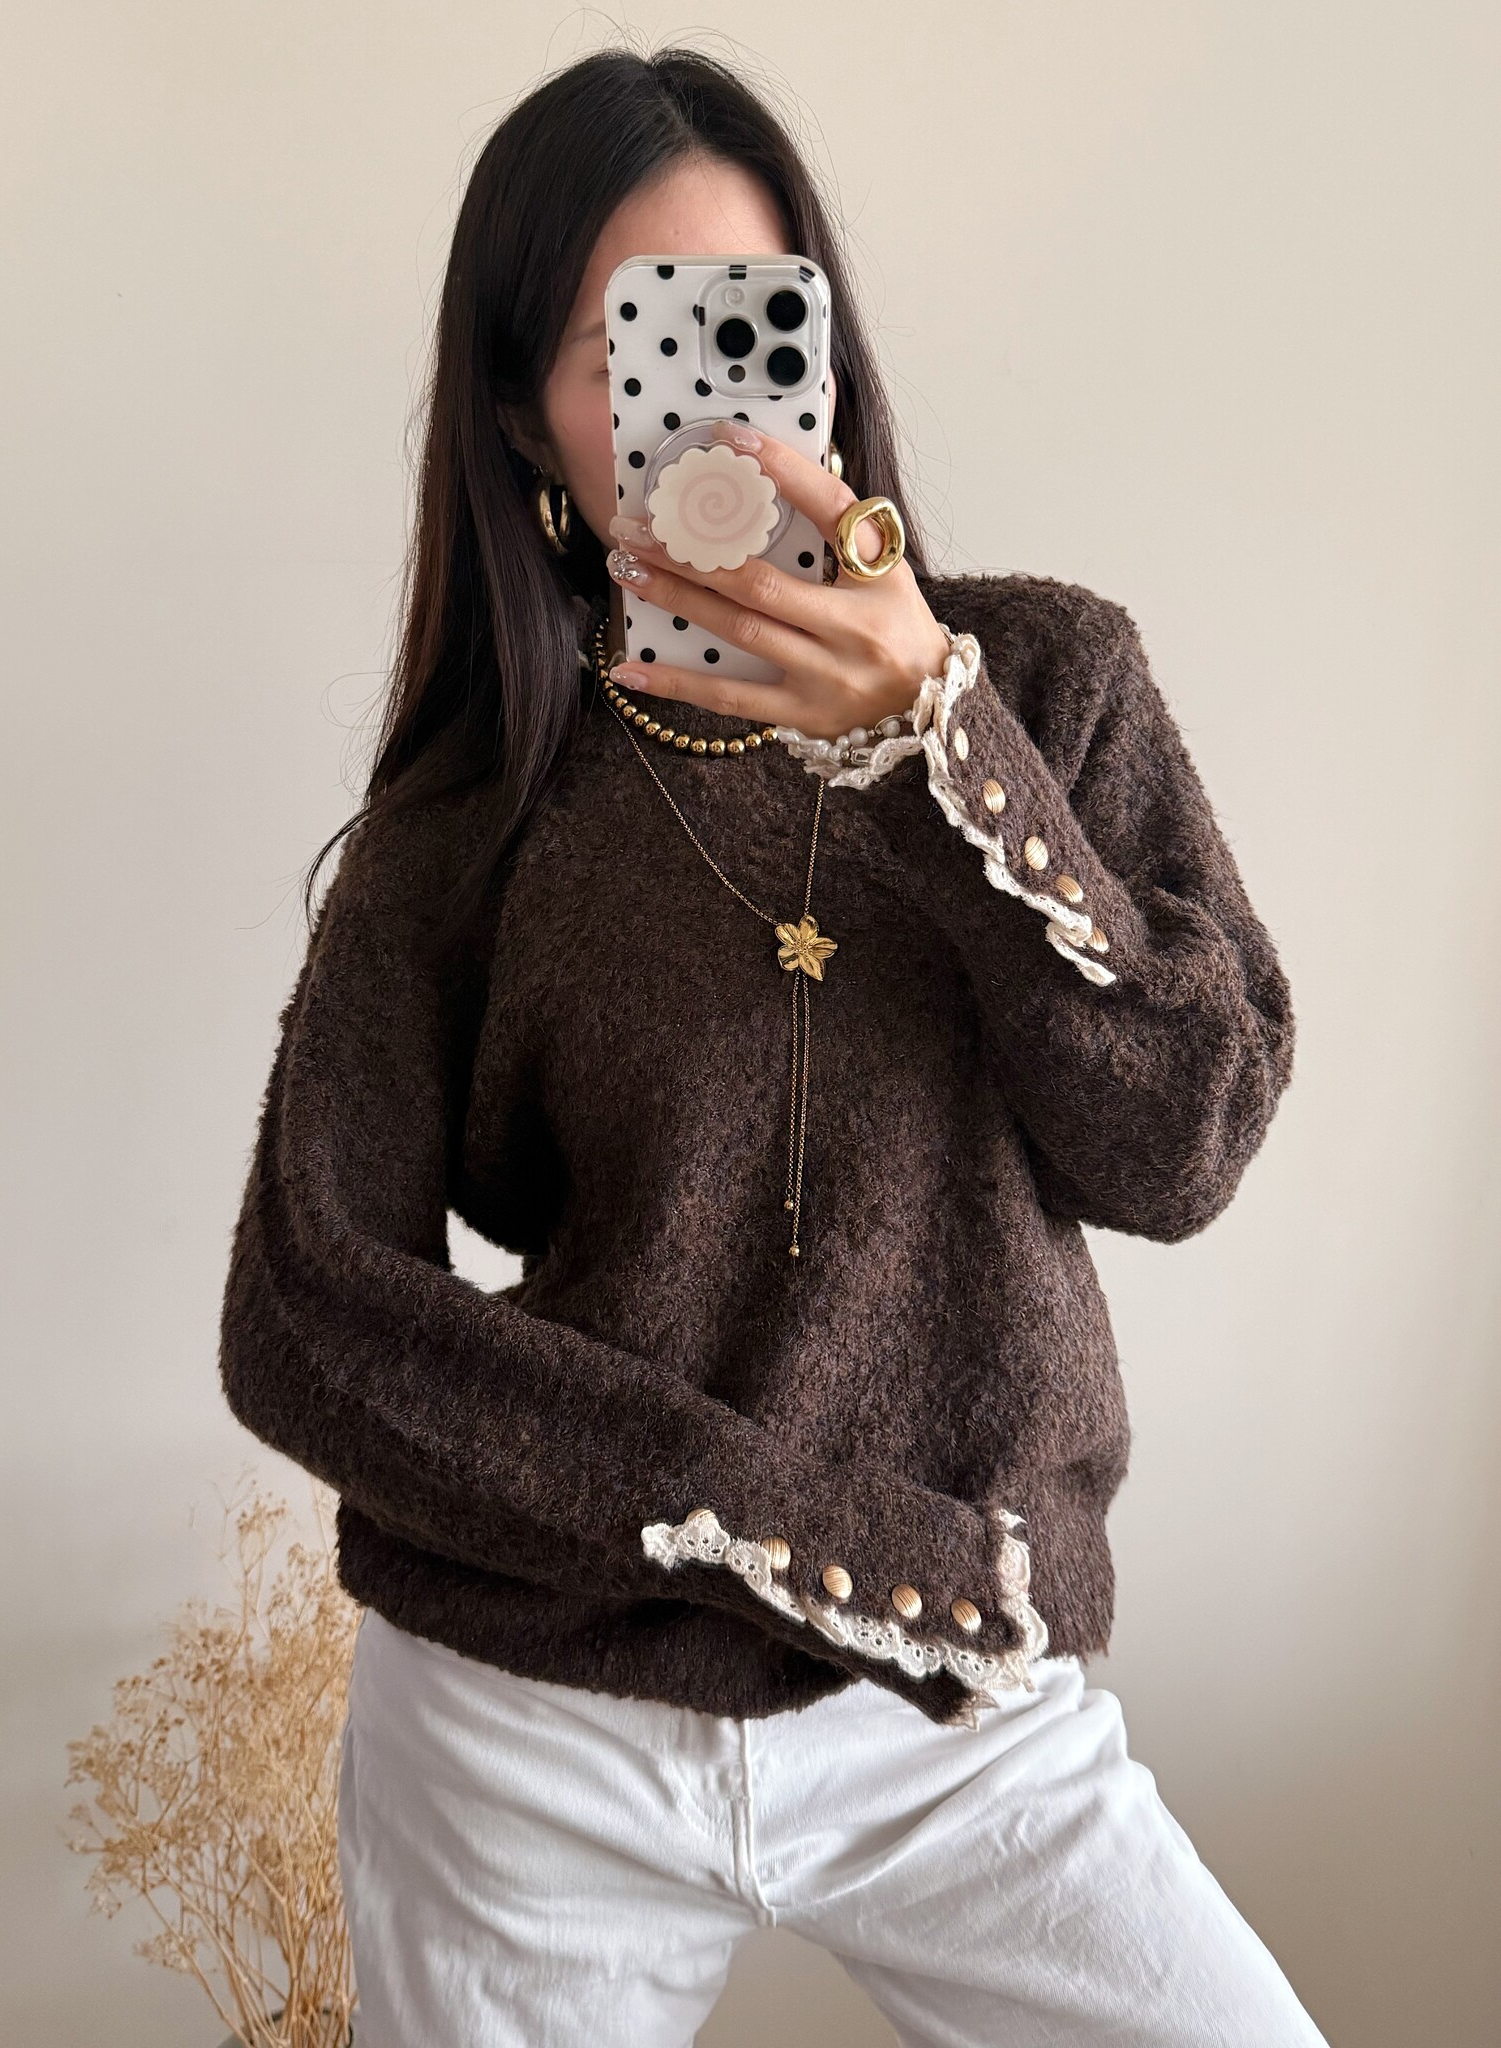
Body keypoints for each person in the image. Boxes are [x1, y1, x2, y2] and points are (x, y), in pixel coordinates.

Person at [219, 44, 1329, 2048]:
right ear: (529, 420)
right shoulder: (468, 817)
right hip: (533, 1738)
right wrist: (816, 1537)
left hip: (952, 1725)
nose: (719, 407)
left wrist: (943, 740)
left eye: (760, 318)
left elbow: (1184, 1142)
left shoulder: (1048, 683)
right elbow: (305, 1310)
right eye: (635, 346)